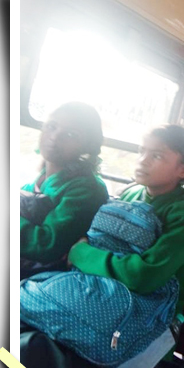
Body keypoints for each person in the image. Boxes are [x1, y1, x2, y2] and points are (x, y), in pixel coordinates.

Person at [20, 124, 184, 368]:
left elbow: (144, 276)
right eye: (142, 151)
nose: (143, 160)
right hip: (100, 293)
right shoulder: (131, 193)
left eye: (156, 156)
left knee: (33, 353)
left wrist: (80, 254)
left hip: (144, 317)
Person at [20, 102, 109, 279]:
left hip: (45, 275)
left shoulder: (87, 189)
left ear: (88, 145)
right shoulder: (38, 180)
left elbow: (47, 245)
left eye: (71, 135)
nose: (55, 137)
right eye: (52, 127)